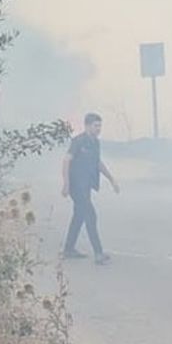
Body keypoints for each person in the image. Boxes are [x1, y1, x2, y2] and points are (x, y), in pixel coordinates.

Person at [60, 113, 120, 265]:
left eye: (100, 125)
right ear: (87, 126)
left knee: (79, 216)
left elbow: (97, 163)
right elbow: (66, 161)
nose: (99, 128)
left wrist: (111, 179)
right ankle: (98, 253)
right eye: (96, 125)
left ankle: (68, 249)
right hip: (76, 186)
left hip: (86, 186)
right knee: (90, 215)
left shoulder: (95, 143)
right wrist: (66, 184)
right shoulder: (78, 141)